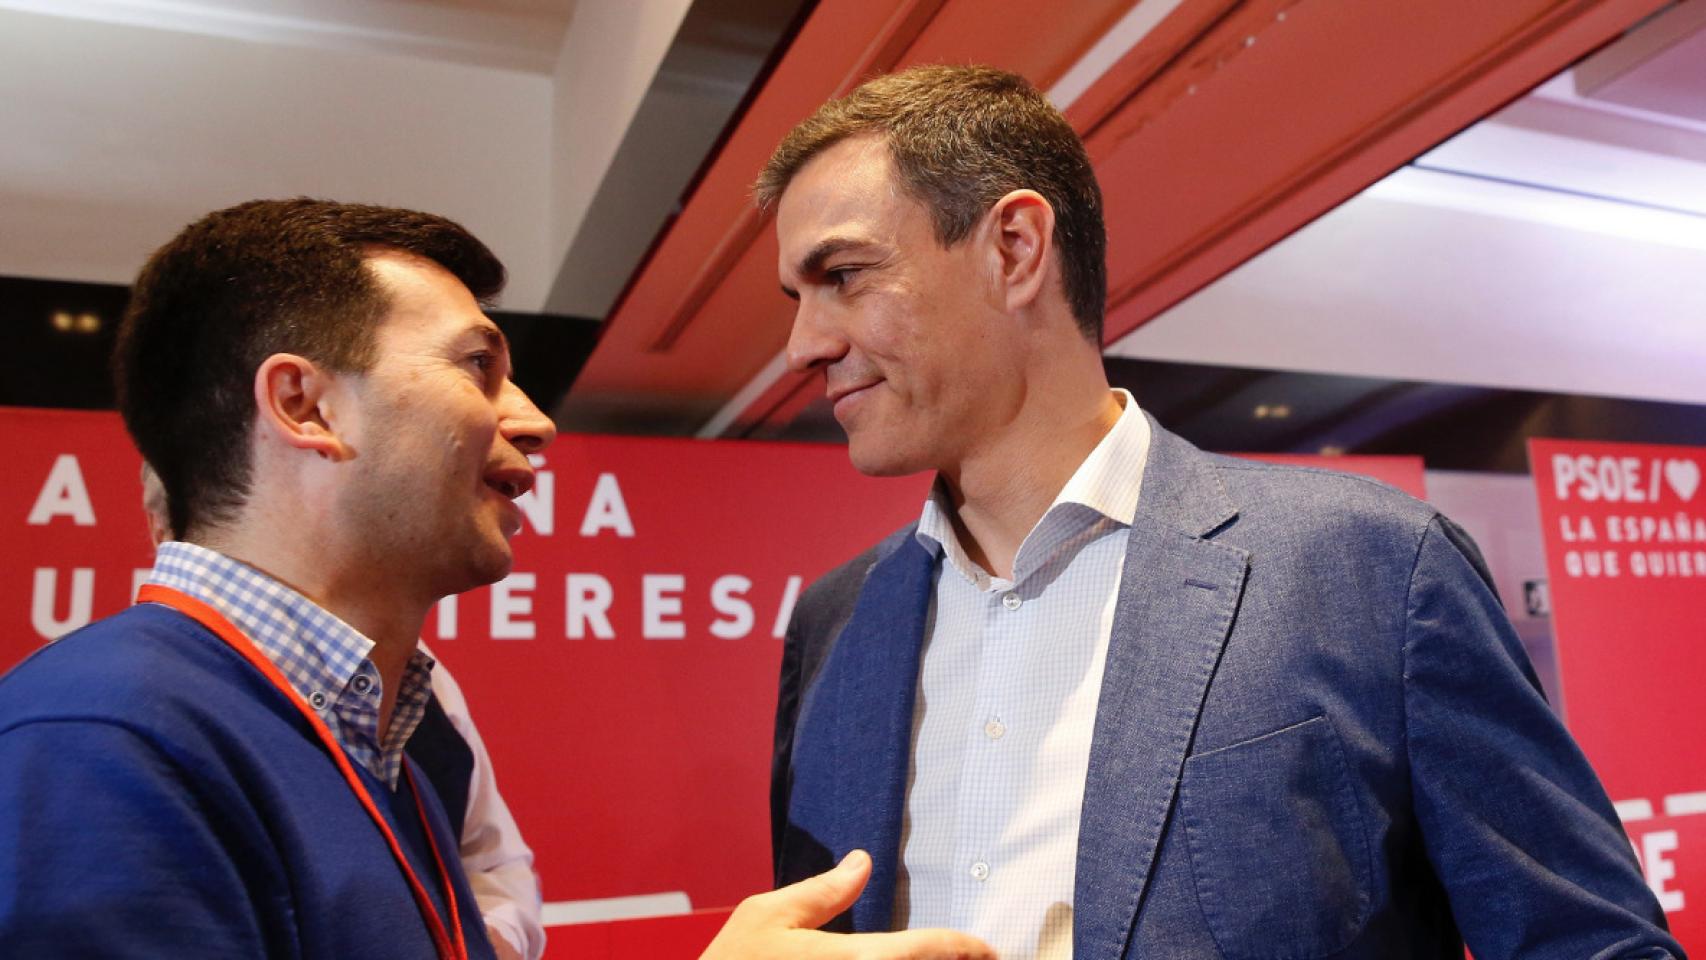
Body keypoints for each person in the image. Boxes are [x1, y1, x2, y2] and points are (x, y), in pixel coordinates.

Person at [761, 65, 1681, 959]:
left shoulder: (1371, 568)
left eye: (843, 274)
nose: (803, 344)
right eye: (797, 298)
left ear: (1014, 249)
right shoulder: (835, 624)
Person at [0, 198, 992, 960]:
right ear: (305, 406)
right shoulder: (97, 747)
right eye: (477, 366)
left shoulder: (387, 730)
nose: (531, 419)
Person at [143, 461, 546, 960]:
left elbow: (492, 861)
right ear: (161, 531)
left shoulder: (421, 683)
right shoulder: (135, 706)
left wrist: (495, 938)